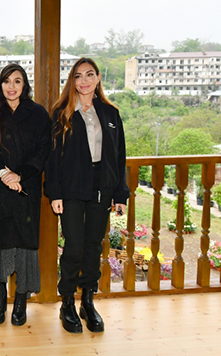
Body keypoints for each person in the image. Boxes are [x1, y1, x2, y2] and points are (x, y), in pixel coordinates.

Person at [44, 57, 129, 334]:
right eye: (78, 76)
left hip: (102, 188)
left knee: (93, 246)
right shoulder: (62, 113)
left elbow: (119, 156)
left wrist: (120, 194)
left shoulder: (110, 113)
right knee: (74, 247)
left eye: (89, 74)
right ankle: (67, 302)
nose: (84, 81)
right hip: (71, 188)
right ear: (73, 80)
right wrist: (54, 192)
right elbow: (52, 157)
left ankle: (88, 301)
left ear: (98, 78)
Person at [0, 63, 51, 326]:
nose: (11, 87)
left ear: (25, 85)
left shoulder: (38, 113)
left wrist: (20, 175)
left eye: (17, 81)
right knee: (1, 244)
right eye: (6, 81)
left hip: (27, 188)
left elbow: (43, 149)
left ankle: (21, 298)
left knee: (25, 245)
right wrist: (3, 173)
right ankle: (0, 296)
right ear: (0, 85)